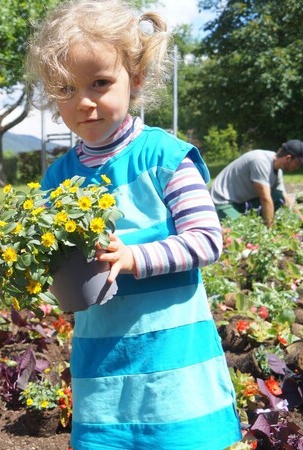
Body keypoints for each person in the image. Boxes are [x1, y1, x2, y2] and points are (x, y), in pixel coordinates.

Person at [26, 1, 240, 448]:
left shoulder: (163, 157)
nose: (83, 101)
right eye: (66, 88)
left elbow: (206, 240)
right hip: (102, 356)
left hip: (172, 359)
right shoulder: (58, 176)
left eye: (100, 83)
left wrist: (133, 257)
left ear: (136, 79)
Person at [209, 139, 303, 227]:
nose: (297, 167)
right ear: (288, 158)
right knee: (242, 230)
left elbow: (285, 199)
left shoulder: (277, 171)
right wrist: (270, 232)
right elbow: (265, 199)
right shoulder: (260, 161)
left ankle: (248, 221)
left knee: (278, 197)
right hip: (221, 202)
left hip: (240, 203)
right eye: (297, 163)